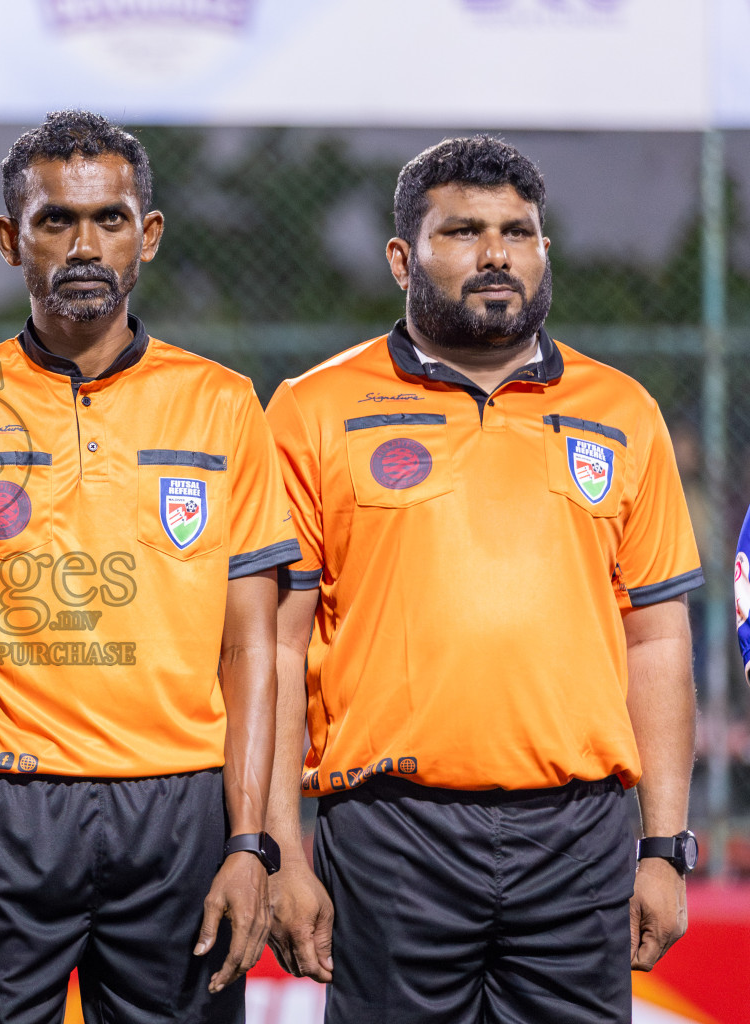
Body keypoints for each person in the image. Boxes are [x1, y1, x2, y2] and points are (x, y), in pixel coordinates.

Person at [0, 110, 299, 1023]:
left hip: (181, 813)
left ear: (147, 235)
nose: (84, 244)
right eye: (55, 220)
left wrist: (249, 843)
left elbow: (254, 653)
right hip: (0, 810)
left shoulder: (222, 405)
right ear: (8, 239)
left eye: (109, 219)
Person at [263, 136, 701, 1024]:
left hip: (581, 838)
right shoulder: (312, 409)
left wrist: (663, 844)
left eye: (519, 231)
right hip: (392, 832)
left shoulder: (623, 412)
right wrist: (279, 849)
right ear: (402, 259)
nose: (497, 252)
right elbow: (275, 646)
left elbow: (657, 639)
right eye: (462, 231)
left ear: (544, 250)